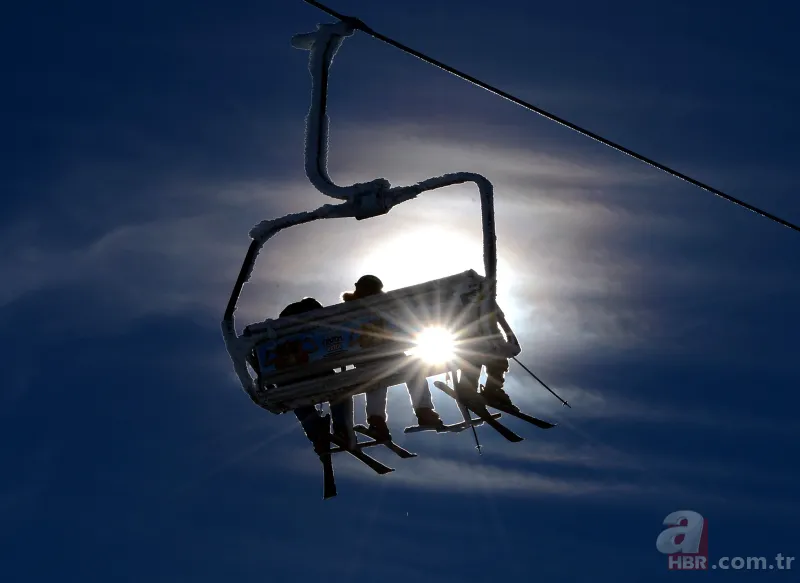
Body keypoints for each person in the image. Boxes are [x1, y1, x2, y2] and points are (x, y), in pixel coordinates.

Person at [341, 275, 445, 442]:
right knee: (411, 368)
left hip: (373, 357)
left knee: (379, 377)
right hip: (381, 356)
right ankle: (423, 410)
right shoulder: (386, 306)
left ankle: (377, 421)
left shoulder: (346, 310)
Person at [275, 297, 357, 452]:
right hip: (319, 374)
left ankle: (316, 433)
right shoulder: (318, 333)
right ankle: (342, 429)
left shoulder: (277, 339)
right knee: (339, 388)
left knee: (296, 397)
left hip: (289, 382)